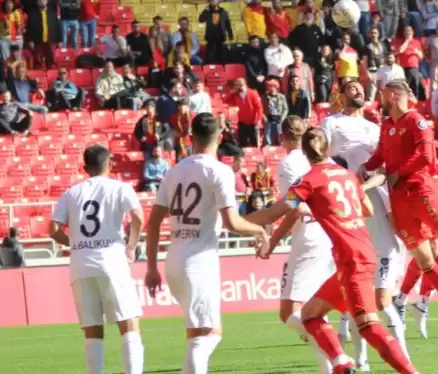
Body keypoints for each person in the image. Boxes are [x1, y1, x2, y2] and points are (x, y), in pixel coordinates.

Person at [256, 127, 418, 374]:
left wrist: (235, 221)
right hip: (359, 254)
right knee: (310, 315)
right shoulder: (346, 175)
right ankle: (341, 363)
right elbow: (368, 210)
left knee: (369, 326)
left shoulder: (307, 182)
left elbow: (277, 211)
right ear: (328, 148)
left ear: (305, 153)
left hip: (353, 260)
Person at [143, 113, 270, 374]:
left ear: (190, 138)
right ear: (220, 138)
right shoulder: (220, 171)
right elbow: (232, 222)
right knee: (210, 334)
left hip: (174, 261)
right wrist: (259, 230)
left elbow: (153, 223)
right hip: (200, 262)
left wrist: (152, 267)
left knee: (196, 334)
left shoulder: (173, 171)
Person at [363, 79, 438, 339]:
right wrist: (360, 169)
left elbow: (426, 156)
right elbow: (380, 156)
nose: (380, 98)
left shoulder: (416, 121)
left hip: (421, 191)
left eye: (382, 93)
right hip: (399, 199)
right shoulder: (388, 125)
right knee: (425, 261)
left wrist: (398, 173)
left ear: (392, 94)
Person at [320, 81, 410, 366]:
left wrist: (363, 184)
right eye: (352, 88)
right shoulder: (331, 124)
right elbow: (320, 160)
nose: (358, 91)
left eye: (361, 88)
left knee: (378, 296)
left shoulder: (376, 128)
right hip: (347, 210)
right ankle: (360, 359)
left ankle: (399, 357)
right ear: (341, 95)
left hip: (375, 204)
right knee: (356, 292)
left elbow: (385, 169)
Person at [48, 145, 146, 374]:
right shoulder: (120, 188)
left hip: (81, 265)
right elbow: (138, 217)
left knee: (93, 331)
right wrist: (130, 246)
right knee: (129, 325)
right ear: (110, 164)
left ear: (85, 168)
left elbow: (52, 229)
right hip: (112, 260)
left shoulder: (71, 193)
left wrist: (75, 244)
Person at [254, 116, 336, 373]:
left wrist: (273, 240)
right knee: (314, 311)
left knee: (290, 312)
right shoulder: (326, 159)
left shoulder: (288, 164)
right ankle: (333, 363)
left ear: (282, 138)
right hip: (331, 235)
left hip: (310, 237)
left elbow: (296, 208)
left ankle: (336, 348)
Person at [199, 0, 233, 64]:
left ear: (218, 2)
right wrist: (205, 9)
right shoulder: (208, 12)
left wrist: (230, 35)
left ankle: (221, 68)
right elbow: (201, 20)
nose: (212, 2)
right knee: (210, 54)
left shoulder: (223, 12)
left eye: (213, 1)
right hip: (211, 36)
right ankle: (210, 67)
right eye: (211, 1)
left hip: (220, 36)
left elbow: (227, 24)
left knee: (220, 54)